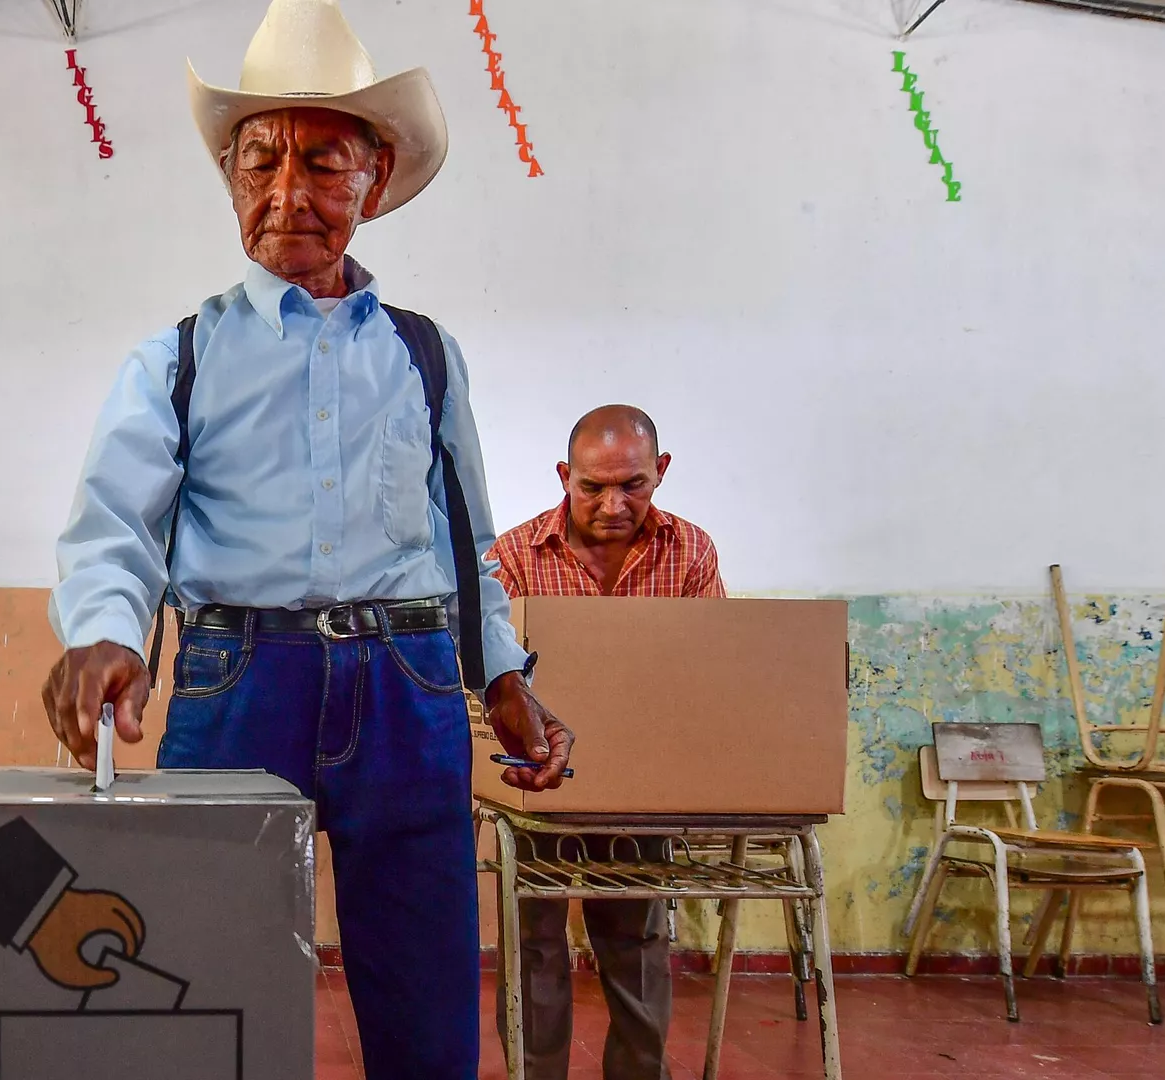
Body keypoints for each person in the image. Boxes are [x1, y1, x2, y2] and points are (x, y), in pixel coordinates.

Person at [40, 3, 574, 1077]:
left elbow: (464, 542)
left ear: (374, 179)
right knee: (207, 993)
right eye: (259, 161)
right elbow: (115, 526)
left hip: (411, 688)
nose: (287, 194)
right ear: (229, 175)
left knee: (427, 1003)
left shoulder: (426, 356)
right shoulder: (177, 359)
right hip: (241, 682)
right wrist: (107, 634)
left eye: (323, 165)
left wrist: (502, 674)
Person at [488, 405, 726, 1080]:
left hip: (639, 781)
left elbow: (715, 666)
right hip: (536, 780)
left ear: (662, 472)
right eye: (592, 487)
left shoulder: (691, 551)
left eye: (633, 485)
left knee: (637, 938)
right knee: (534, 939)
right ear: (565, 476)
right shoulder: (512, 554)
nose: (613, 504)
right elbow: (487, 675)